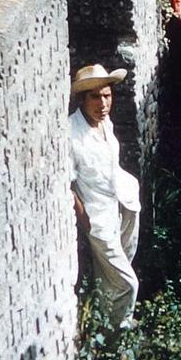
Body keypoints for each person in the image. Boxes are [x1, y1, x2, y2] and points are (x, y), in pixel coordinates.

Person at [69, 64, 140, 335]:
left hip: (124, 203)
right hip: (98, 218)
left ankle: (104, 322)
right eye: (95, 97)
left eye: (107, 95)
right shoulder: (71, 133)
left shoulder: (104, 123)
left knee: (115, 274)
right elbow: (68, 183)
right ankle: (116, 342)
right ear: (82, 99)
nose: (103, 103)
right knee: (128, 283)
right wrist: (85, 220)